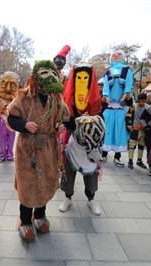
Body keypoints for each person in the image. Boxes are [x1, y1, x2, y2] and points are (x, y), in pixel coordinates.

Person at [7, 60, 68, 241]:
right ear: (35, 77)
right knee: (28, 183)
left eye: (51, 74)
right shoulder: (24, 96)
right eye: (43, 74)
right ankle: (24, 220)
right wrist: (24, 125)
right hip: (28, 147)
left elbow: (64, 118)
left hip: (49, 146)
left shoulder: (56, 98)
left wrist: (60, 125)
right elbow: (11, 118)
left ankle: (40, 215)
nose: (48, 78)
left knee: (47, 180)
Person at [59, 62, 102, 215]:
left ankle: (91, 199)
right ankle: (68, 197)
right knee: (68, 171)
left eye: (85, 77)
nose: (82, 80)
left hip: (90, 143)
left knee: (91, 171)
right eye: (79, 77)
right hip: (71, 140)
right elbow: (64, 118)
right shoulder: (68, 97)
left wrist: (90, 119)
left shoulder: (96, 99)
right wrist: (76, 121)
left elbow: (100, 120)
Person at [101, 50, 134, 167]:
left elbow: (129, 82)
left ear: (123, 57)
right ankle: (103, 154)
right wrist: (105, 95)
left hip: (121, 106)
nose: (116, 56)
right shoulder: (108, 71)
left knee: (119, 131)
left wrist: (127, 92)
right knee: (107, 130)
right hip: (110, 106)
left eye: (119, 54)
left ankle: (117, 157)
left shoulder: (127, 69)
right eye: (113, 55)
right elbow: (105, 84)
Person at [0, 72, 18, 162]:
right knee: (2, 140)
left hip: (12, 123)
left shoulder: (16, 100)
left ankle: (10, 155)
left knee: (11, 140)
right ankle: (2, 155)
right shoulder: (0, 99)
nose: (8, 89)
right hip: (2, 122)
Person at [126, 93, 149, 170]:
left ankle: (139, 160)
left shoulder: (148, 107)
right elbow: (128, 116)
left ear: (145, 100)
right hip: (134, 129)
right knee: (132, 145)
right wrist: (130, 126)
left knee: (141, 145)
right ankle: (130, 161)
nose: (141, 103)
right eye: (139, 101)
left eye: (143, 101)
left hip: (143, 129)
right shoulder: (133, 106)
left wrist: (146, 127)